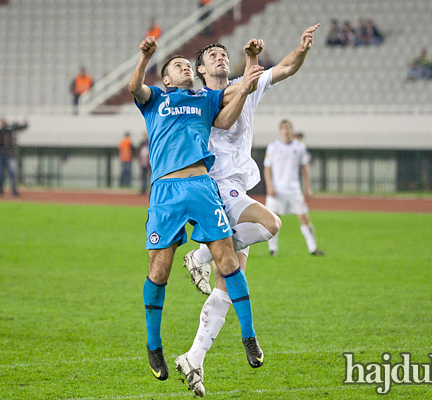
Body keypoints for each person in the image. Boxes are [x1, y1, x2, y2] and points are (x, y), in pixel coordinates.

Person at [178, 23, 320, 397]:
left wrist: (301, 48)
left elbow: (286, 68)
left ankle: (194, 357)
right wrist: (250, 66)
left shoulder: (248, 83)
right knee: (272, 223)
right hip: (216, 190)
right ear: (202, 71)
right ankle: (201, 254)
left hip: (236, 188)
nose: (220, 56)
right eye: (212, 56)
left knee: (229, 284)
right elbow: (223, 117)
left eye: (223, 53)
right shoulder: (198, 100)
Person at [128, 35, 265, 386]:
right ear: (167, 79)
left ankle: (249, 338)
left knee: (229, 261)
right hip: (166, 192)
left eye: (188, 64)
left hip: (203, 187)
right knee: (159, 270)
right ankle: (154, 346)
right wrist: (144, 57)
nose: (185, 66)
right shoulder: (156, 99)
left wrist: (249, 78)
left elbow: (228, 111)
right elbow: (134, 86)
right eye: (178, 66)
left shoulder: (206, 98)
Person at [264, 120, 324, 257]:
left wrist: (308, 187)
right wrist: (269, 186)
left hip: (294, 189)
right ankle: (273, 249)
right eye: (284, 128)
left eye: (288, 127)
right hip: (277, 190)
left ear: (292, 130)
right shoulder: (273, 147)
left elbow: (304, 168)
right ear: (280, 131)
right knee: (273, 220)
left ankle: (313, 248)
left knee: (304, 218)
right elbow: (267, 168)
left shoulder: (299, 147)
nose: (286, 130)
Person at [0, 118, 27, 197]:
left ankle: (13, 191)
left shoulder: (9, 132)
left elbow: (19, 129)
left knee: (12, 173)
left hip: (9, 155)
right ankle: (1, 192)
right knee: (0, 174)